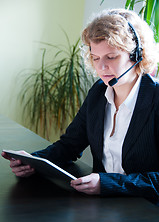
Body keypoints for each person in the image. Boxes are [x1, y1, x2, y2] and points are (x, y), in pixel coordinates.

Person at [2, 8, 159, 204]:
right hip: (106, 207)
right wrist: (34, 162)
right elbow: (69, 145)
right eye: (95, 58)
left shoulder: (155, 98)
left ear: (137, 54)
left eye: (111, 57)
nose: (101, 67)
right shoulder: (99, 93)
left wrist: (108, 183)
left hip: (147, 214)